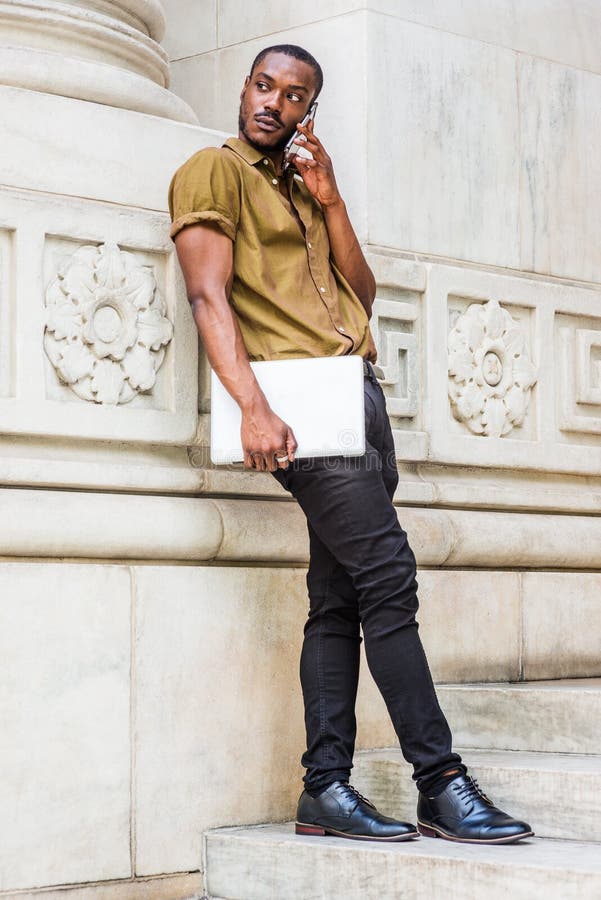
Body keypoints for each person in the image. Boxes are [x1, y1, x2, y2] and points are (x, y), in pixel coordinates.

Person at [169, 43, 533, 845]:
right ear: (245, 88)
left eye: (293, 95)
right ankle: (440, 783)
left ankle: (325, 789)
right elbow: (206, 294)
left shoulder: (301, 185)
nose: (273, 102)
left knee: (337, 599)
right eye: (264, 85)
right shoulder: (213, 170)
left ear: (309, 111)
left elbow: (358, 296)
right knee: (387, 576)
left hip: (356, 398)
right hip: (297, 411)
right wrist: (253, 409)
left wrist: (331, 202)